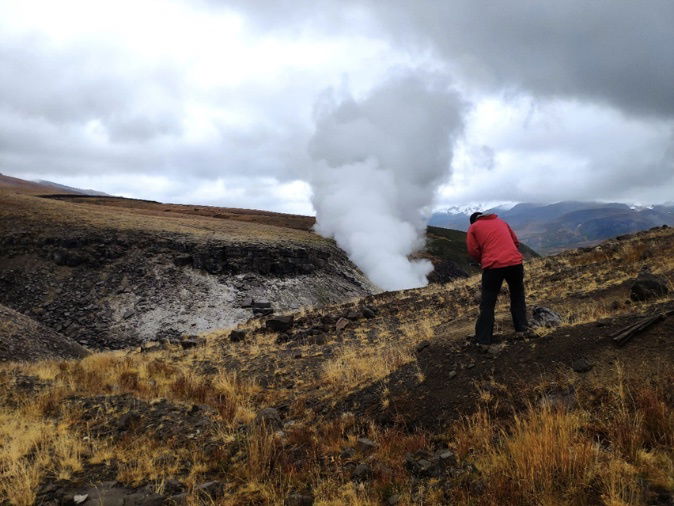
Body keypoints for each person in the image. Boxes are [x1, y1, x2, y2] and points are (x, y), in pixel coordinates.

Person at [466, 211, 528, 345]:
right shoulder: (502, 222)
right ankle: (522, 329)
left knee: (488, 302)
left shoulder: (474, 227)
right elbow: (515, 241)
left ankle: (483, 340)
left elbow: (473, 250)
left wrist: (483, 260)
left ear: (473, 221)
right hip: (515, 263)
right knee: (517, 295)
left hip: (493, 267)